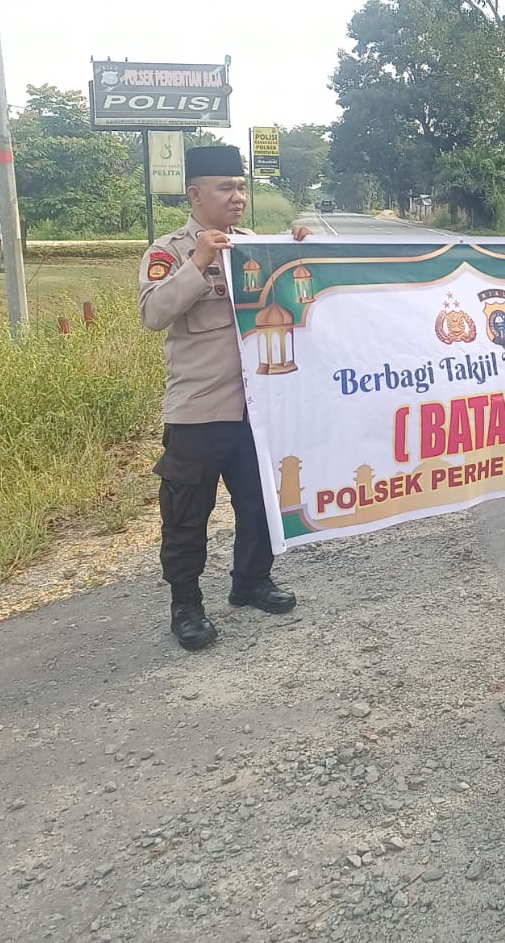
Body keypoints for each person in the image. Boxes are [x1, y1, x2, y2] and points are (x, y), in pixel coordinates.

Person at [139, 145, 313, 652]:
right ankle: (187, 605)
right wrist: (199, 261)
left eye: (241, 188)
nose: (238, 197)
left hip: (257, 407)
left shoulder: (255, 247)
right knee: (187, 510)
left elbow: (294, 301)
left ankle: (251, 580)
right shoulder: (168, 252)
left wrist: (301, 252)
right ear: (195, 194)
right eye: (226, 188)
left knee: (259, 501)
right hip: (199, 408)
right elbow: (154, 314)